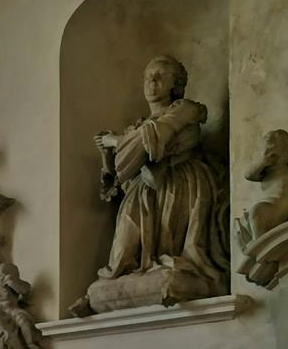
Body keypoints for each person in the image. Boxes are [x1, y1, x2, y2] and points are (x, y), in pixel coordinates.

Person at [92, 55, 227, 286]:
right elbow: (118, 181)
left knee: (170, 250)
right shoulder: (136, 127)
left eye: (160, 76)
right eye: (148, 77)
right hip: (141, 191)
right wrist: (107, 155)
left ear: (176, 84)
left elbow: (155, 136)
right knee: (123, 250)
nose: (152, 81)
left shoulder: (185, 109)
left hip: (178, 184)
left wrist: (115, 141)